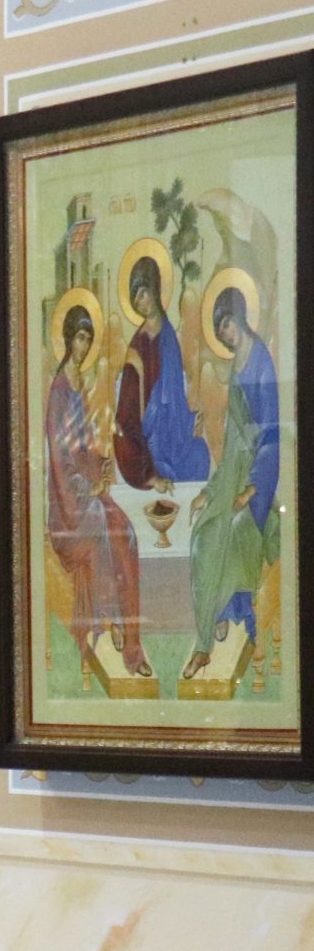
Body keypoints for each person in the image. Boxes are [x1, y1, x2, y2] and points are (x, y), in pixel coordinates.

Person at [43, 304, 152, 684]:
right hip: (66, 507)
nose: (84, 346)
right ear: (67, 339)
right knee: (105, 528)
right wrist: (83, 487)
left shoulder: (79, 384)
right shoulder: (59, 391)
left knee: (127, 532)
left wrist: (101, 464)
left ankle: (132, 639)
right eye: (80, 337)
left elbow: (83, 447)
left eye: (88, 339)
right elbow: (60, 458)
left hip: (86, 492)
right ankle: (112, 620)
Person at [184, 284, 282, 681]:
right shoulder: (234, 368)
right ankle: (216, 616)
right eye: (219, 327)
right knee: (203, 538)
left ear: (240, 317)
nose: (224, 332)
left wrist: (254, 487)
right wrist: (210, 491)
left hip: (261, 477)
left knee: (236, 529)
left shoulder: (261, 361)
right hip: (234, 473)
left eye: (226, 322)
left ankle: (209, 640)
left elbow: (271, 434)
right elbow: (231, 443)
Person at [113, 254, 212, 484]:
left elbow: (176, 397)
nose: (140, 303)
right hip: (152, 438)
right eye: (136, 299)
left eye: (143, 294)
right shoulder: (137, 346)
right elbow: (127, 412)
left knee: (200, 454)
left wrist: (191, 419)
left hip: (176, 434)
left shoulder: (168, 335)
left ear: (155, 289)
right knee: (163, 467)